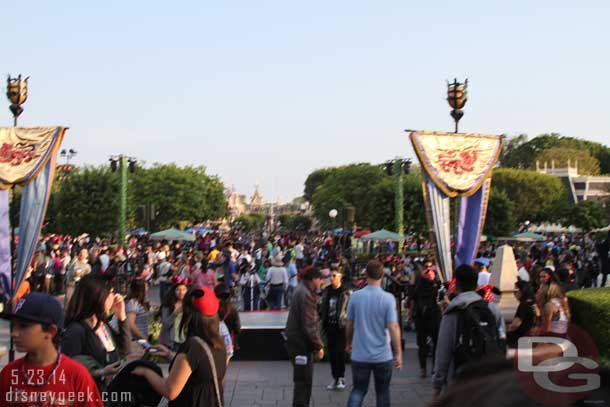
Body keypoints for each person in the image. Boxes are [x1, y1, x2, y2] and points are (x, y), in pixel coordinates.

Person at [0, 292, 104, 407]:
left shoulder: (76, 375)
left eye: (23, 326)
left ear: (51, 331)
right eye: (13, 326)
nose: (14, 333)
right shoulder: (9, 374)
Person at [132, 287, 227, 407]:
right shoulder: (219, 344)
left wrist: (145, 372)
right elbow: (203, 370)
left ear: (190, 315)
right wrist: (169, 354)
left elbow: (170, 391)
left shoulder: (193, 346)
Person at [432, 264, 504, 399]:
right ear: (476, 284)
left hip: (460, 380)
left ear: (456, 284)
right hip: (488, 377)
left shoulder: (453, 312)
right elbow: (501, 339)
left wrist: (437, 385)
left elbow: (443, 351)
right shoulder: (492, 309)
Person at [61, 274, 133, 392]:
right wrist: (101, 372)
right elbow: (67, 369)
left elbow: (125, 349)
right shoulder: (76, 330)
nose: (114, 296)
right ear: (97, 296)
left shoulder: (103, 325)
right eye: (110, 292)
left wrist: (122, 316)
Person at [345, 260, 402, 407]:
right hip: (383, 355)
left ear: (366, 275)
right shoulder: (388, 298)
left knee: (358, 390)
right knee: (382, 392)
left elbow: (349, 324)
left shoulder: (355, 297)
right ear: (382, 275)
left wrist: (349, 343)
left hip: (360, 354)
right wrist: (398, 353)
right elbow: (393, 327)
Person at [285, 266, 325, 407]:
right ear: (314, 279)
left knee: (301, 382)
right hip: (301, 345)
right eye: (320, 279)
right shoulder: (306, 294)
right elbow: (309, 325)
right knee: (303, 383)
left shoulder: (301, 289)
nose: (321, 283)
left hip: (296, 343)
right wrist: (319, 346)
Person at [320, 268, 351, 391]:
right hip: (329, 326)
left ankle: (341, 378)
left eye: (334, 275)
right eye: (330, 276)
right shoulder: (327, 291)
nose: (331, 278)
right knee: (332, 353)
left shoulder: (345, 292)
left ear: (340, 276)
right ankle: (335, 378)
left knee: (340, 353)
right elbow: (323, 307)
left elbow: (349, 309)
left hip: (341, 326)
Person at [409, 262, 441, 378]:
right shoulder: (437, 287)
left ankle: (423, 369)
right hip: (434, 318)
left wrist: (410, 317)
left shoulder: (418, 287)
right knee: (436, 344)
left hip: (420, 318)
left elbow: (412, 302)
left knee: (422, 345)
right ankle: (434, 368)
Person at [506, 280, 539, 347]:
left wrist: (506, 330)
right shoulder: (534, 303)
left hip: (521, 339)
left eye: (516, 291)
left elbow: (515, 325)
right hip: (533, 336)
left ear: (522, 291)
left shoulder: (523, 305)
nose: (514, 294)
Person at [159, 279, 189, 351]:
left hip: (186, 341)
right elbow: (165, 325)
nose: (181, 292)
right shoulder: (168, 305)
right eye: (178, 290)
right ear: (173, 291)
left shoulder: (190, 305)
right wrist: (175, 313)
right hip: (172, 341)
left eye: (184, 289)